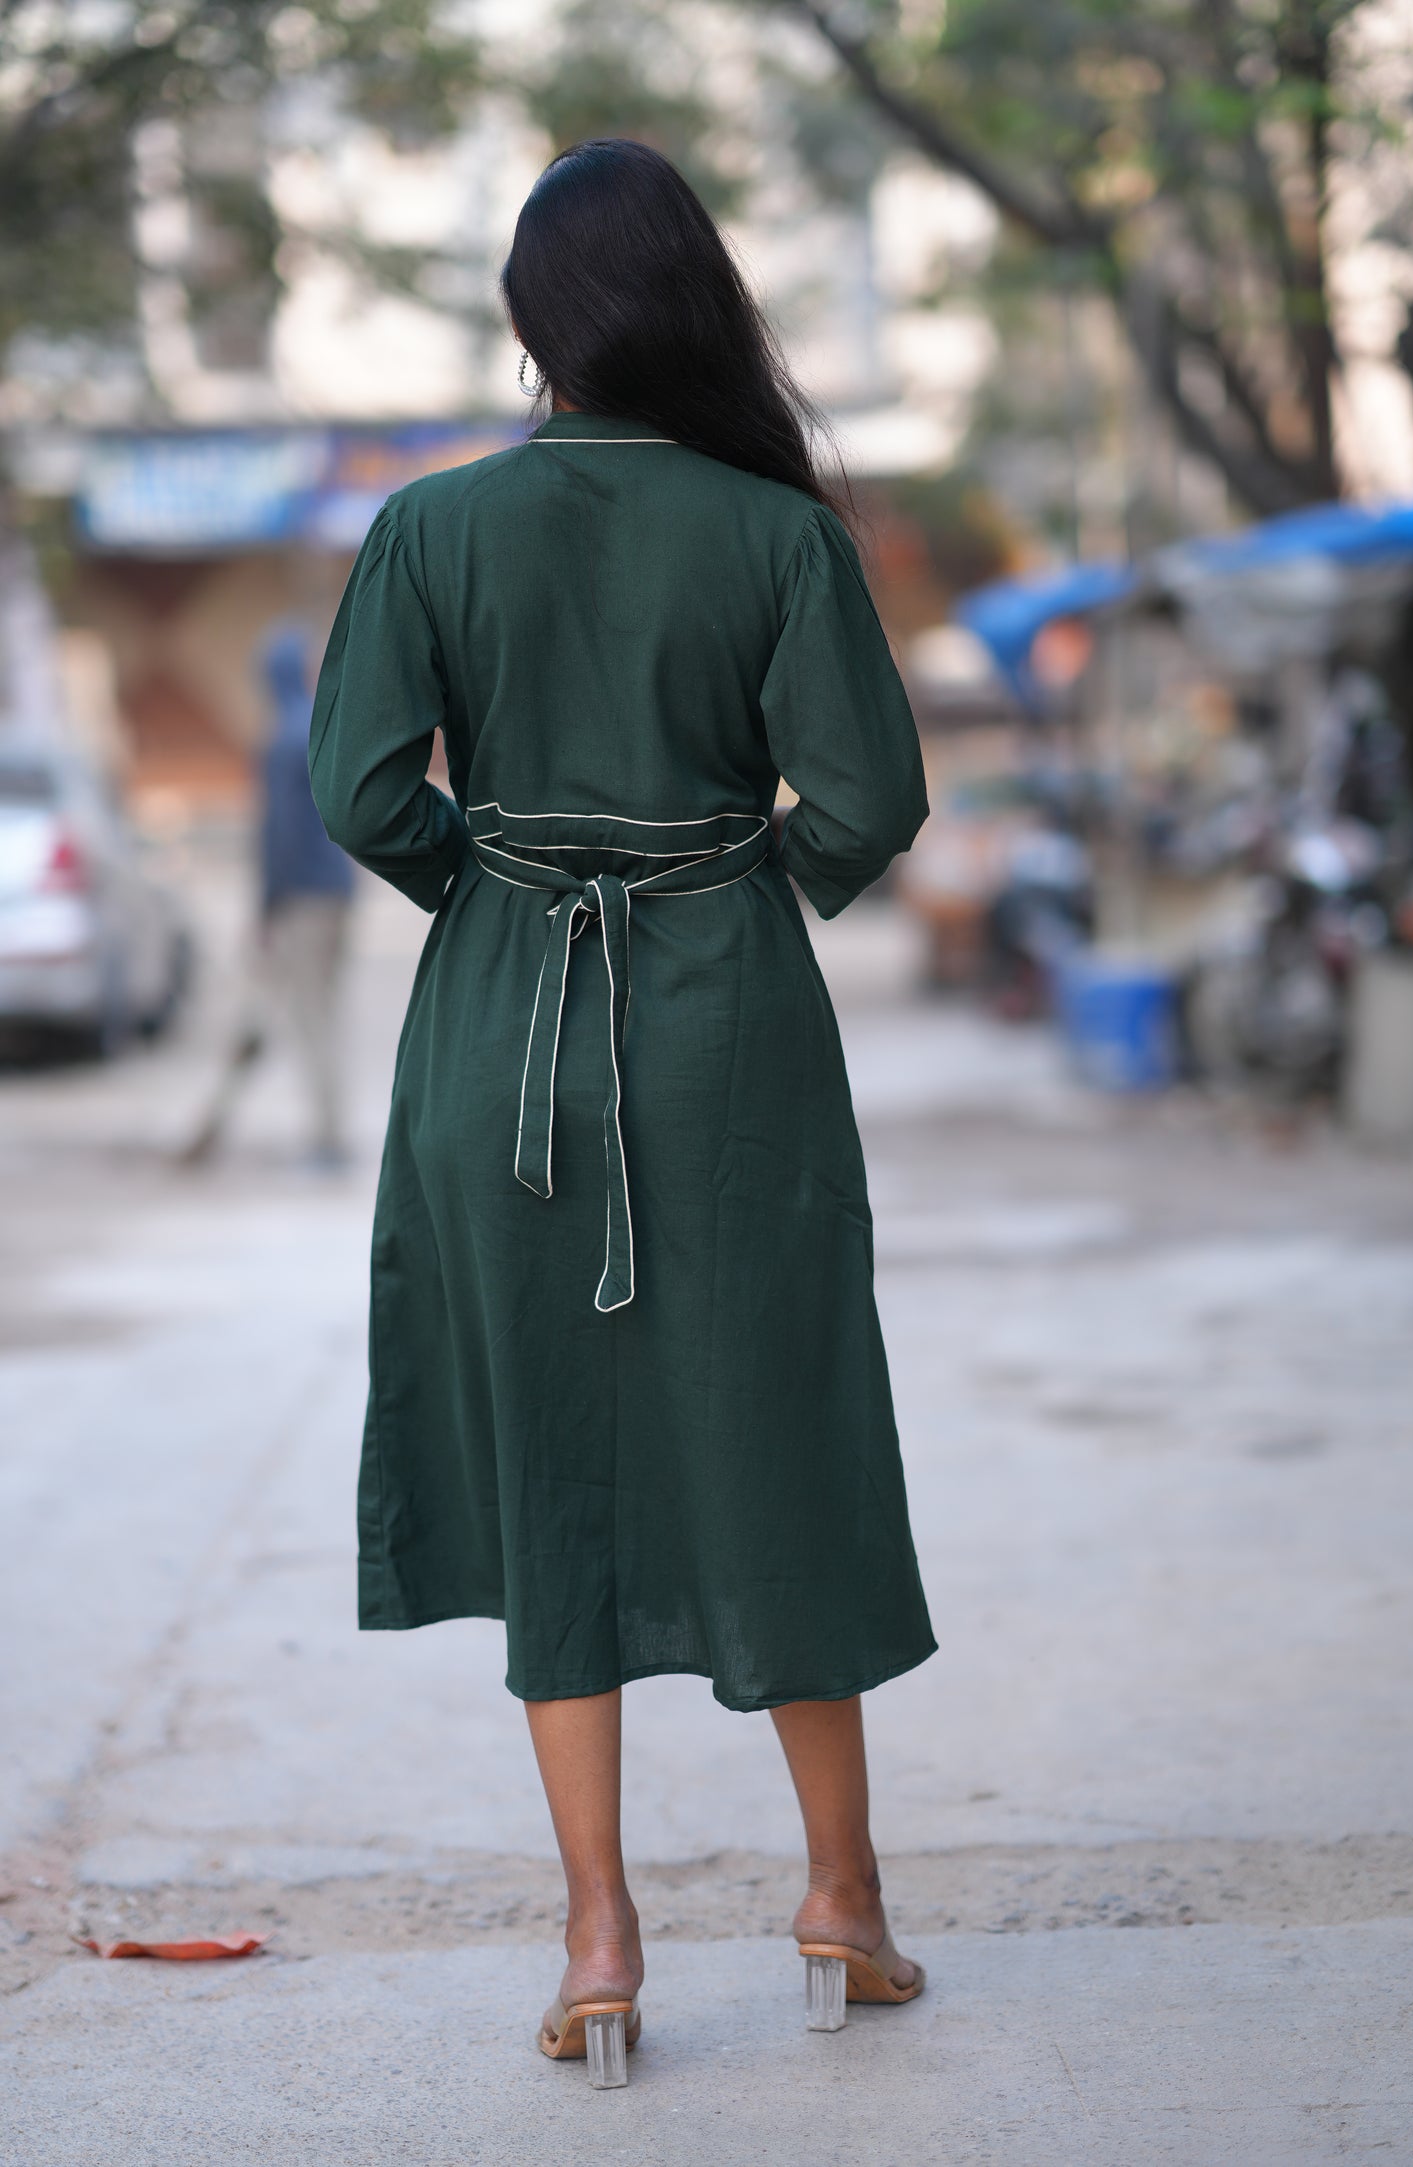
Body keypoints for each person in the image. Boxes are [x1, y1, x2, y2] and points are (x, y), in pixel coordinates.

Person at [309, 139, 937, 2083]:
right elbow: (865, 807)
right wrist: (729, 885)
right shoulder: (777, 535)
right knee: (779, 1430)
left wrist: (493, 881)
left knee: (547, 1466)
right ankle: (838, 1896)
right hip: (722, 1014)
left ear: (530, 323)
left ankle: (596, 1935)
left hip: (501, 1022)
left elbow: (357, 791)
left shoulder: (424, 529)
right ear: (691, 308)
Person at [181, 620, 355, 1169]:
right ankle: (213, 1124)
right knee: (291, 1008)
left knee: (301, 1015)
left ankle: (326, 1140)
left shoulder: (281, 739)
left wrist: (264, 908)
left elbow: (276, 835)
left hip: (299, 900)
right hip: (334, 894)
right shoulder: (320, 726)